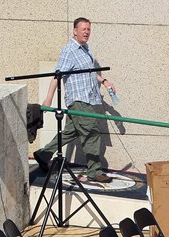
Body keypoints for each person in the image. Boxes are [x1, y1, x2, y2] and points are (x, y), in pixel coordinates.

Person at [37, 17, 115, 183]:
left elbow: (91, 72)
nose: (86, 32)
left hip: (88, 99)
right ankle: (94, 171)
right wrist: (49, 98)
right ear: (75, 31)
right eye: (83, 29)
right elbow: (58, 74)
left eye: (88, 29)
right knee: (92, 132)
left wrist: (105, 82)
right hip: (78, 100)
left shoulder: (86, 49)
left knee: (69, 132)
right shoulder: (69, 50)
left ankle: (43, 155)